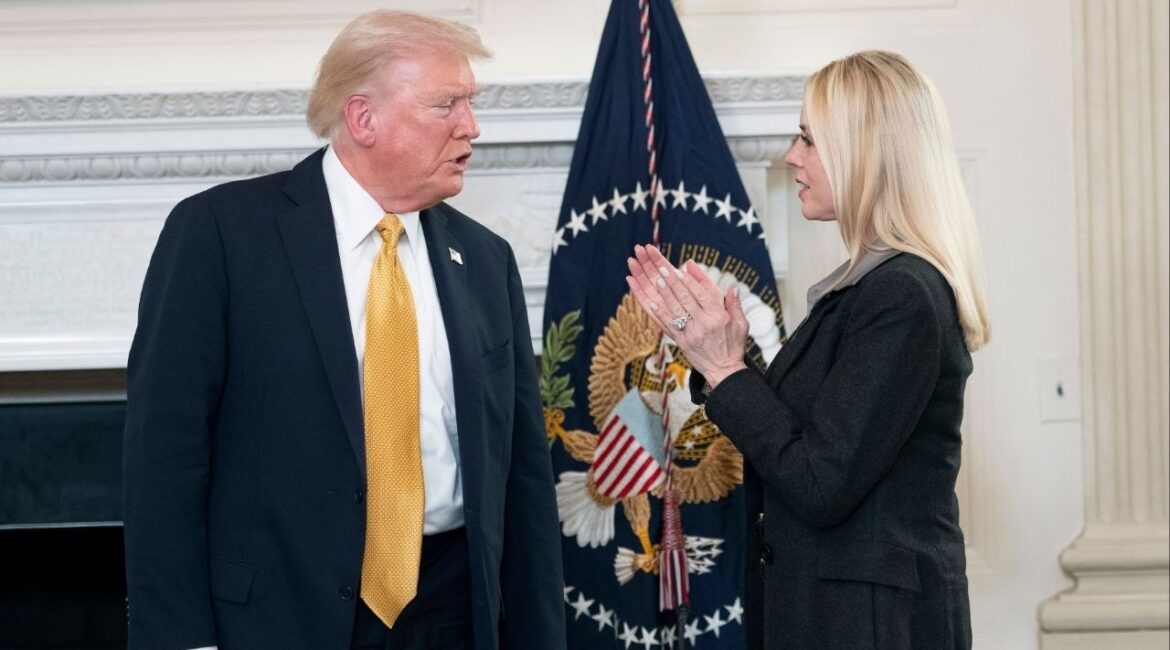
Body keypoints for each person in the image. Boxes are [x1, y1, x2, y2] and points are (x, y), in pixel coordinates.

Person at [122, 10, 565, 650]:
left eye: (470, 103)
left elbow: (522, 477)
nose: (471, 127)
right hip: (275, 620)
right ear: (364, 119)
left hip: (452, 611)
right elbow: (162, 461)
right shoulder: (220, 235)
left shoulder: (485, 260)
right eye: (447, 105)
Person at [625, 50, 989, 649]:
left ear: (864, 152)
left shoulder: (901, 293)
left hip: (870, 628)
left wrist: (724, 367)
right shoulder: (869, 284)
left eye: (808, 140)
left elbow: (820, 482)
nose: (792, 157)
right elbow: (818, 430)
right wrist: (725, 354)